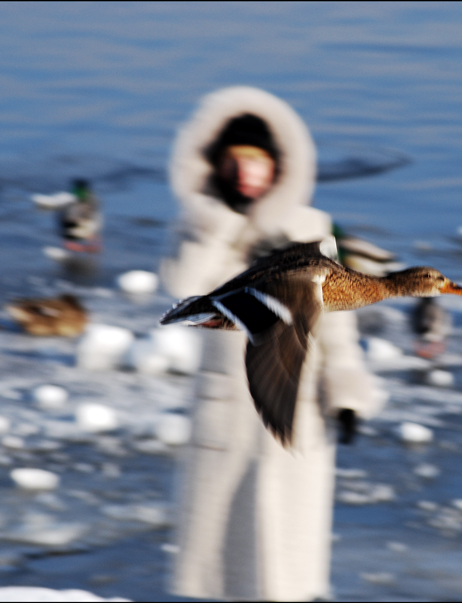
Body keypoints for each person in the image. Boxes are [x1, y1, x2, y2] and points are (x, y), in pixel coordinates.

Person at [160, 86, 383, 601]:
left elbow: (338, 318)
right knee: (225, 564)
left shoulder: (309, 228)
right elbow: (180, 286)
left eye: (258, 162)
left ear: (278, 166)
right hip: (227, 414)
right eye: (237, 161)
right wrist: (223, 223)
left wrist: (347, 393)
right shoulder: (198, 225)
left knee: (286, 563)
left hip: (295, 409)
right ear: (218, 164)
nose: (248, 174)